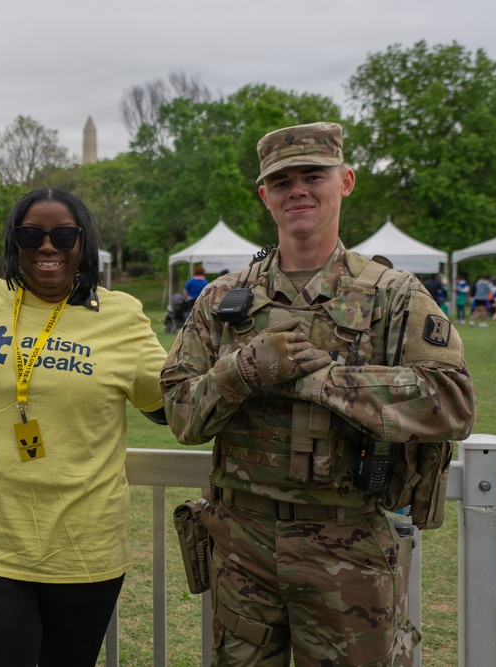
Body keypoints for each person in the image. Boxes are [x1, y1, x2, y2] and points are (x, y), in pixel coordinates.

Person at [161, 122, 476, 667]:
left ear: (346, 181)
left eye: (313, 176)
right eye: (281, 181)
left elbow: (452, 402)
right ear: (265, 196)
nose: (297, 190)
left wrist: (326, 380)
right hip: (242, 542)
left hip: (346, 543)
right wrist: (240, 371)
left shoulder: (394, 295)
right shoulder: (223, 299)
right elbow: (180, 416)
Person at [0, 188, 167, 667]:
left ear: (85, 243)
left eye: (64, 235)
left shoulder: (122, 314)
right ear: (13, 241)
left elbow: (167, 405)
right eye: (30, 234)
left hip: (86, 547)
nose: (47, 247)